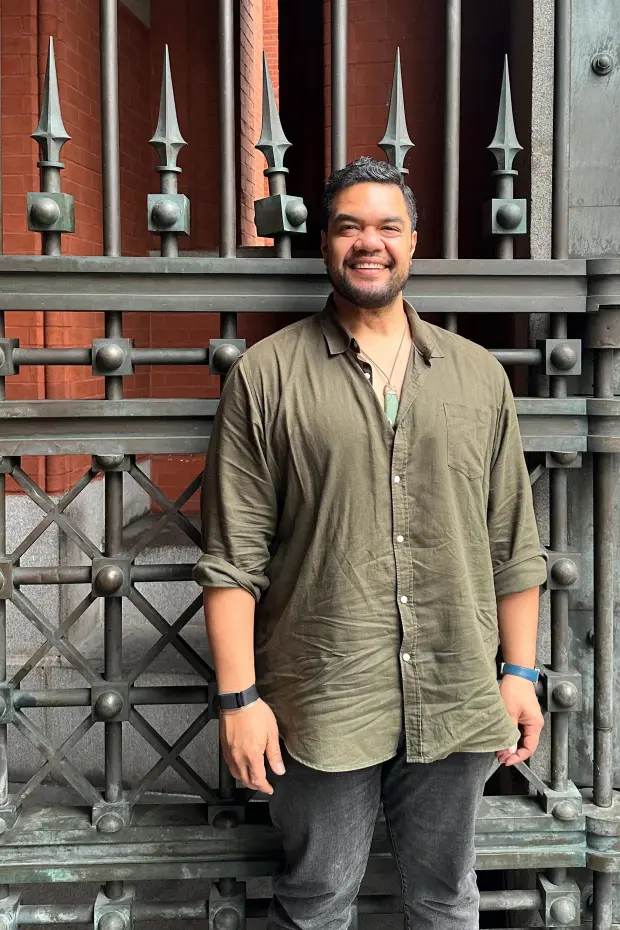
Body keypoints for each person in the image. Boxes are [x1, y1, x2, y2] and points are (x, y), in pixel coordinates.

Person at [194, 157, 547, 930]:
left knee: (448, 899)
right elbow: (232, 557)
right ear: (324, 242)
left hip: (456, 691)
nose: (369, 242)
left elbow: (513, 543)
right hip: (321, 698)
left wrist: (519, 671)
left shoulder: (479, 377)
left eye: (388, 226)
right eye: (350, 226)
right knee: (316, 901)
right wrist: (238, 700)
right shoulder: (266, 377)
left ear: (412, 242)